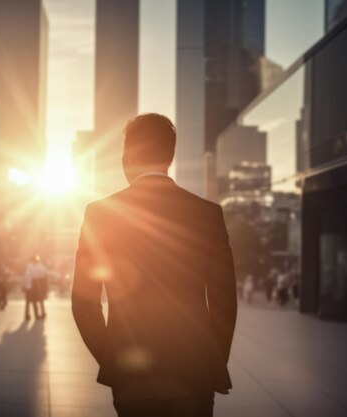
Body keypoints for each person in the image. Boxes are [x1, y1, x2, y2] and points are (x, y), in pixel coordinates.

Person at [72, 114, 237, 417]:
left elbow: (84, 304)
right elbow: (225, 303)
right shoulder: (209, 215)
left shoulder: (100, 214)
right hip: (195, 374)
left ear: (130, 153)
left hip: (133, 379)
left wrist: (114, 361)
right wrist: (212, 362)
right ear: (170, 155)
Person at [24, 255, 47, 320]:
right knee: (38, 300)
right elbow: (45, 274)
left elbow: (26, 277)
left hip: (32, 285)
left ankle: (29, 315)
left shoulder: (30, 267)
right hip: (35, 285)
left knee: (31, 301)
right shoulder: (38, 267)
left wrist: (27, 286)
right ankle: (40, 314)